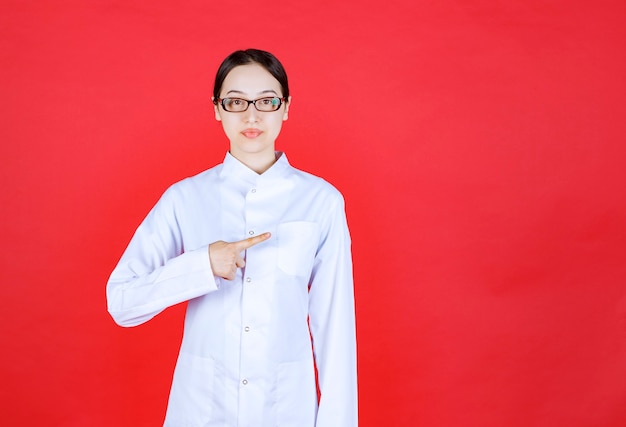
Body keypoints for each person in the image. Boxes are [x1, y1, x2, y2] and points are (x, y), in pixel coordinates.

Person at [107, 48, 358, 427]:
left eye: (267, 101)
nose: (251, 115)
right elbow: (121, 301)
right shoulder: (185, 198)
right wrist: (201, 265)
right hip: (201, 407)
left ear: (286, 107)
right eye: (236, 101)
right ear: (216, 108)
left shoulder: (321, 201)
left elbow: (335, 329)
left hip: (285, 407)